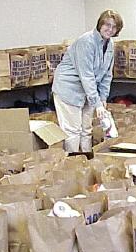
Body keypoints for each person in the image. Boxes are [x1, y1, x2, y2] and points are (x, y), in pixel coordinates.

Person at [52, 9, 123, 154]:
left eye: (114, 27)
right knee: (73, 130)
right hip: (69, 89)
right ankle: (72, 162)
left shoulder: (109, 45)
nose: (110, 29)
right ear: (100, 24)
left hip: (88, 91)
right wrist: (96, 103)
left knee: (86, 129)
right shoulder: (86, 41)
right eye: (107, 25)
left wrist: (102, 98)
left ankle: (86, 159)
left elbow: (107, 74)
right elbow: (86, 75)